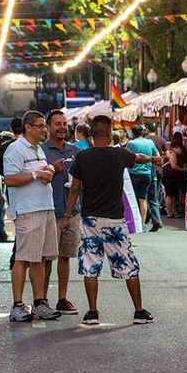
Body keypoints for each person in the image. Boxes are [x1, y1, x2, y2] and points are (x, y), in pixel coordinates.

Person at [66, 115, 155, 326]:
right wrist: (153, 159)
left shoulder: (83, 157)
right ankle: (139, 311)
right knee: (129, 266)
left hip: (89, 220)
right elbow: (138, 158)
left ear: (91, 134)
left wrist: (68, 216)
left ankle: (92, 312)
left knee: (90, 266)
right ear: (109, 132)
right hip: (115, 220)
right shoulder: (119, 154)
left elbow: (75, 190)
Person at [4, 110, 62, 322]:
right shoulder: (16, 149)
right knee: (23, 258)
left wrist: (47, 170)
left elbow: (38, 174)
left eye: (44, 126)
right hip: (28, 210)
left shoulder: (38, 149)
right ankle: (18, 305)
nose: (44, 130)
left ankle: (40, 302)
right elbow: (10, 179)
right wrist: (37, 174)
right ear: (27, 127)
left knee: (39, 259)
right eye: (40, 126)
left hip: (44, 208)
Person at [41, 110, 81, 315]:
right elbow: (36, 180)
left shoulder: (75, 151)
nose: (62, 127)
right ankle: (42, 299)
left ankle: (62, 299)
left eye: (64, 123)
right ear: (47, 127)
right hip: (49, 211)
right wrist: (52, 170)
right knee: (46, 258)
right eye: (57, 124)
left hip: (72, 211)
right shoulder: (40, 151)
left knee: (65, 256)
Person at [125, 125, 162, 231]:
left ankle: (135, 223)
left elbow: (127, 156)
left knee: (133, 199)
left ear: (132, 133)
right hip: (147, 173)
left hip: (133, 173)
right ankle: (142, 224)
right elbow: (157, 156)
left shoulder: (131, 143)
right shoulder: (149, 142)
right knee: (143, 199)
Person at [0, 119, 23, 242]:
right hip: (31, 186)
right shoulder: (32, 145)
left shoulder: (5, 147)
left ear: (11, 129)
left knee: (16, 215)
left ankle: (18, 243)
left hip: (11, 185)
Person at [163, 133, 187, 218]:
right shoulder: (178, 151)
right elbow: (175, 165)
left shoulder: (171, 150)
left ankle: (172, 212)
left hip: (171, 174)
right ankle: (172, 212)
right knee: (172, 195)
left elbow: (173, 165)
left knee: (171, 195)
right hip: (175, 175)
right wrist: (184, 170)